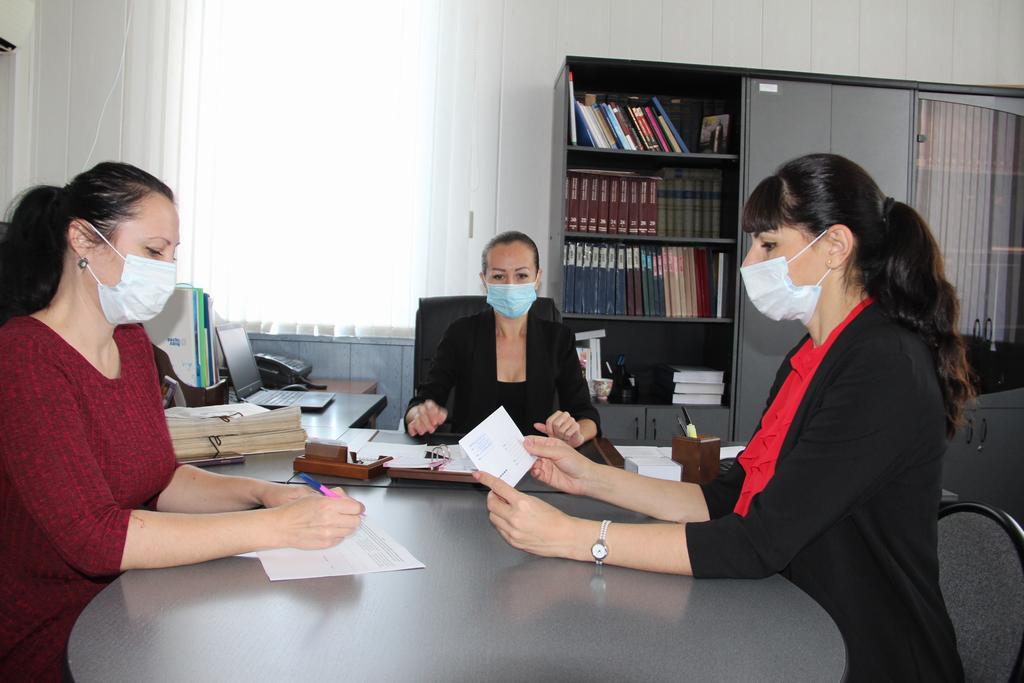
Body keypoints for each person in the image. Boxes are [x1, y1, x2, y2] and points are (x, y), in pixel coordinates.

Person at [474, 154, 972, 681]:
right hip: (794, 626)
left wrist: (571, 537)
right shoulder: (812, 356)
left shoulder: (883, 365)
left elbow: (758, 540)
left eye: (769, 245)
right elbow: (727, 499)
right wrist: (591, 478)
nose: (750, 261)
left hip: (867, 653)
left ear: (835, 246)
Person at [0, 163, 365, 681]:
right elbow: (95, 540)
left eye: (173, 254)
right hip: (56, 634)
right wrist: (275, 528)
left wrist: (264, 495)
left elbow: (160, 480)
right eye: (153, 251)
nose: (167, 269)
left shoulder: (130, 342)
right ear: (82, 239)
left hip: (134, 606)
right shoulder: (25, 358)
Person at [405, 231, 600, 446]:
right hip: (470, 460)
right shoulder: (460, 334)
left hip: (537, 460)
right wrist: (419, 416)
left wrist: (576, 433)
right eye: (499, 276)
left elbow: (587, 416)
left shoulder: (558, 339)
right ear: (484, 280)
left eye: (521, 275)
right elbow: (421, 403)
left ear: (537, 278)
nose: (510, 285)